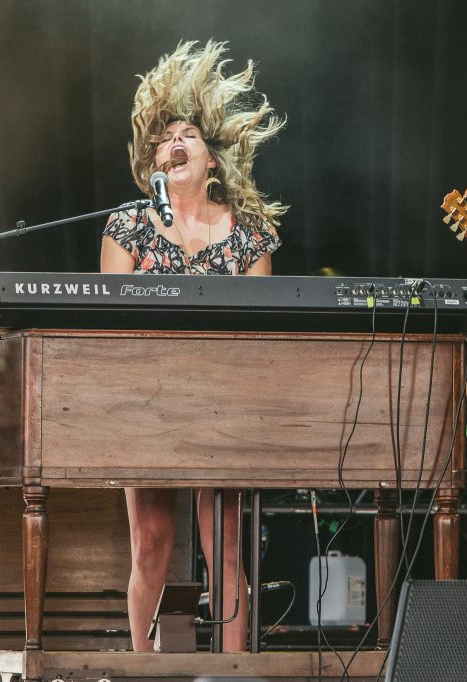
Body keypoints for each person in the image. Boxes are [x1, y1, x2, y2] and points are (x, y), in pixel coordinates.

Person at [101, 40, 287, 652]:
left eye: (187, 134)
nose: (174, 144)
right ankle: (139, 665)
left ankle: (235, 670)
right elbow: (106, 320)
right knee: (151, 544)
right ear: (151, 159)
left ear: (213, 158)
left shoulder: (250, 232)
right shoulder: (127, 224)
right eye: (163, 138)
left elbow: (261, 334)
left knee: (224, 544)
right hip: (147, 400)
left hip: (223, 402)